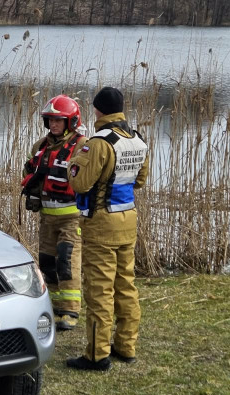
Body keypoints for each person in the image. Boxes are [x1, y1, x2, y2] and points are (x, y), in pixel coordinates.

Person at [65, 87, 149, 372]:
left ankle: (96, 354)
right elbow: (139, 181)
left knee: (99, 289)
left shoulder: (98, 143)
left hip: (101, 223)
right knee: (126, 285)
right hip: (128, 218)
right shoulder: (138, 140)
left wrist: (74, 161)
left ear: (98, 110)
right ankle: (126, 346)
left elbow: (79, 183)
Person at [22, 95, 86, 332]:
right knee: (47, 262)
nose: (54, 125)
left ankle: (70, 310)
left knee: (66, 260)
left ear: (71, 122)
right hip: (47, 216)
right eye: (50, 120)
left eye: (59, 120)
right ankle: (56, 307)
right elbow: (30, 171)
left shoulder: (82, 145)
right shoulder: (40, 146)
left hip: (72, 216)